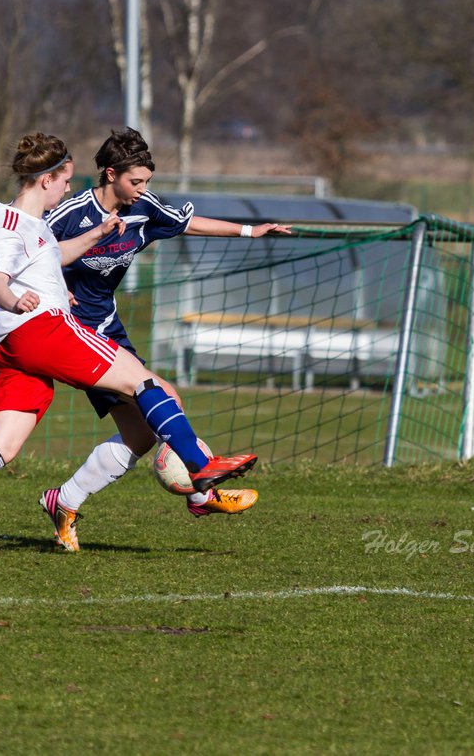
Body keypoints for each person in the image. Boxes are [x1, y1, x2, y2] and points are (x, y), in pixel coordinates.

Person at [0, 132, 258, 557]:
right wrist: (14, 297)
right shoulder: (9, 228)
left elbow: (53, 256)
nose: (70, 187)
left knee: (1, 447)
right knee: (145, 383)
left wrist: (96, 235)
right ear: (46, 180)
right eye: (65, 179)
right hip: (43, 331)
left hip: (11, 347)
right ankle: (201, 471)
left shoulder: (28, 222)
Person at [37, 127, 291, 551]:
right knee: (163, 393)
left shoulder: (142, 208)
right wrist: (51, 285)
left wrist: (250, 231)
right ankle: (201, 493)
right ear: (110, 174)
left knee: (139, 436)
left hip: (108, 328)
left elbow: (187, 222)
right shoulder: (71, 213)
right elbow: (31, 248)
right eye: (136, 182)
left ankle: (63, 501)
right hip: (72, 331)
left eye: (147, 182)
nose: (142, 190)